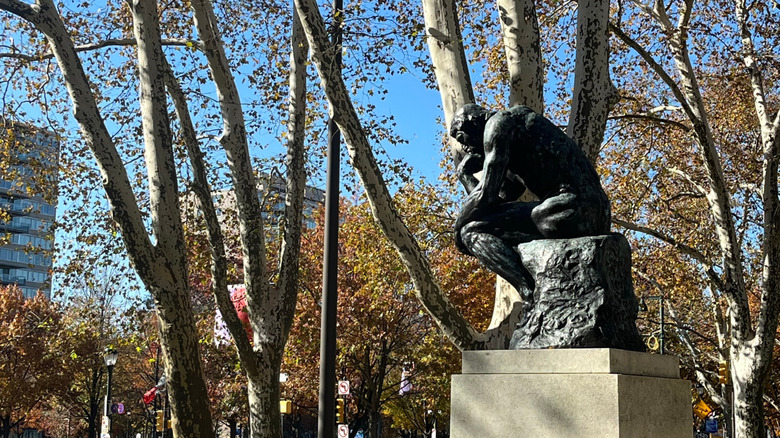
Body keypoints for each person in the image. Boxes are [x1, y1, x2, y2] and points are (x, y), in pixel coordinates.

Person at [451, 104, 611, 303]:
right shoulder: (519, 123)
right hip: (595, 212)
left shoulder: (496, 125)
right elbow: (504, 196)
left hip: (569, 209)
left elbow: (487, 195)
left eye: (461, 137)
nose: (464, 148)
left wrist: (458, 226)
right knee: (477, 225)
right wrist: (467, 176)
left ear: (474, 123)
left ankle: (530, 293)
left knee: (469, 232)